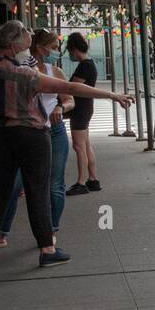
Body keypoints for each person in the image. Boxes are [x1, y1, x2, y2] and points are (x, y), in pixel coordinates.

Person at [0, 20, 132, 267]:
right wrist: (112, 95)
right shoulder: (26, 75)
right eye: (25, 33)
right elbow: (69, 87)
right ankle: (47, 249)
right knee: (38, 190)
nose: (30, 35)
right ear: (14, 44)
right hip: (29, 135)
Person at [0, 30, 73, 250]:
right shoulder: (20, 70)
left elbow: (70, 98)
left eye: (56, 47)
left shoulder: (56, 71)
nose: (54, 51)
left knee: (54, 184)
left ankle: (50, 232)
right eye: (52, 47)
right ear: (37, 46)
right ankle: (0, 234)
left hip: (53, 131)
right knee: (13, 185)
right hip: (28, 131)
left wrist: (61, 108)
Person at [65, 32, 100, 195]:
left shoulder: (84, 66)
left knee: (79, 146)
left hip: (80, 109)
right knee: (85, 145)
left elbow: (72, 88)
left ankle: (81, 182)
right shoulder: (89, 63)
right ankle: (93, 179)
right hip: (85, 108)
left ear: (73, 49)